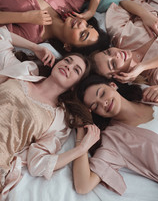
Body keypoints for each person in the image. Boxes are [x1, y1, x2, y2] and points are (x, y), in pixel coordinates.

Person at [0, 26, 100, 200]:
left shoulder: (59, 120)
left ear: (75, 85)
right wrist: (35, 47)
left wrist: (81, 149)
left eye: (76, 70)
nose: (68, 67)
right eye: (68, 61)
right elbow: (2, 35)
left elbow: (38, 164)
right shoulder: (24, 71)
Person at [73, 74, 158, 196]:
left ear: (113, 85)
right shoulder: (114, 140)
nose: (103, 103)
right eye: (95, 105)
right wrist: (81, 133)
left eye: (102, 93)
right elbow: (83, 186)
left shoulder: (148, 95)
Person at [103, 0, 158, 84]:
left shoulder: (119, 35)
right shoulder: (152, 76)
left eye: (107, 52)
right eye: (113, 63)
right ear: (118, 77)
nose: (115, 54)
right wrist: (143, 66)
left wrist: (145, 15)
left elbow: (124, 4)